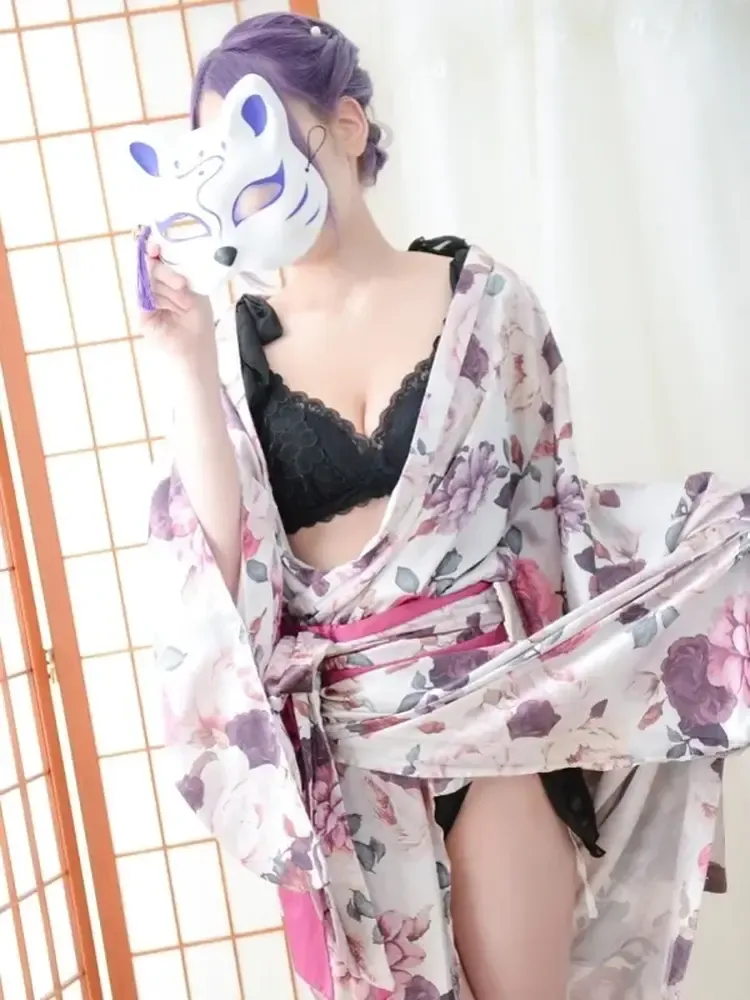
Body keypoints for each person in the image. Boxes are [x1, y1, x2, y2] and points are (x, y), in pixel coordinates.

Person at [142, 12, 748, 1000]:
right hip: (348, 744)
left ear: (344, 125)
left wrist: (697, 562)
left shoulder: (489, 303)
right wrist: (182, 358)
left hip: (495, 715)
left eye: (268, 138)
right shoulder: (236, 349)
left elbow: (556, 516)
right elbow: (218, 568)